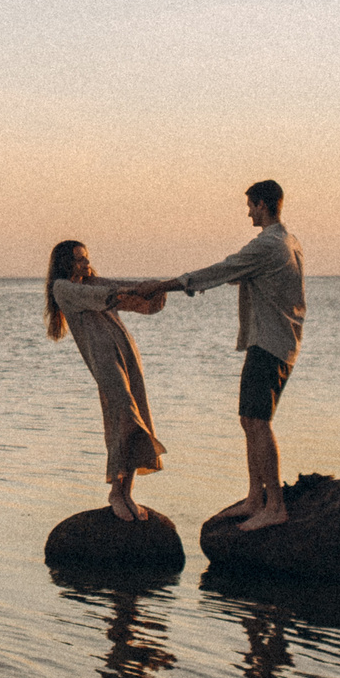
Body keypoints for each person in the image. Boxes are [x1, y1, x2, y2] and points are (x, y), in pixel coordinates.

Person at [136, 180, 304, 531]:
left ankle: (274, 504)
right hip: (275, 341)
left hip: (270, 343)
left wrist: (162, 285)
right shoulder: (288, 242)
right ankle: (255, 497)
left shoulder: (269, 245)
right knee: (249, 420)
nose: (248, 212)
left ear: (262, 204)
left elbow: (219, 271)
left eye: (250, 206)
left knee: (258, 422)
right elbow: (241, 275)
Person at [44, 240, 170, 523]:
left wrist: (161, 285)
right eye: (79, 260)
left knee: (139, 415)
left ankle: (127, 492)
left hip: (126, 352)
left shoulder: (94, 283)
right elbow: (110, 293)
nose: (85, 264)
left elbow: (122, 286)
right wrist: (136, 289)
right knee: (124, 416)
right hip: (104, 360)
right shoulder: (64, 289)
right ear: (64, 263)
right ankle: (116, 492)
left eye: (86, 258)